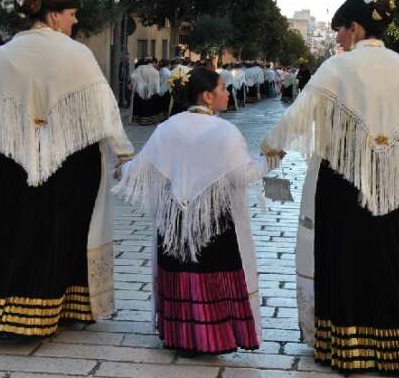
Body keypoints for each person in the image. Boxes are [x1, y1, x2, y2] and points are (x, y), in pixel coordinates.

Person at [261, 0, 399, 374]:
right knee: (393, 253)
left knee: (344, 256)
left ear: (355, 28)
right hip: (394, 179)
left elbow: (301, 112)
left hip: (344, 178)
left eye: (341, 31)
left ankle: (347, 347)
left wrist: (271, 145)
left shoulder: (338, 66)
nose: (339, 39)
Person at [0, 0, 134, 338]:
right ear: (54, 16)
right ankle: (63, 307)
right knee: (67, 231)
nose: (75, 21)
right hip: (73, 161)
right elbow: (104, 111)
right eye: (72, 14)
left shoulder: (6, 55)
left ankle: (5, 311)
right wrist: (124, 154)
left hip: (19, 159)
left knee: (17, 229)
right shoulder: (78, 54)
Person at [114, 67, 281, 355]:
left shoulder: (168, 127)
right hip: (213, 221)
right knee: (214, 272)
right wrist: (271, 161)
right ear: (207, 96)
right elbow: (244, 175)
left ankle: (180, 335)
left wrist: (121, 170)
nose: (228, 93)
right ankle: (213, 338)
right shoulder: (226, 131)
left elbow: (139, 168)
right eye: (222, 89)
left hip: (175, 220)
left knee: (179, 272)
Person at [130, 59, 164, 125]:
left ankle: (140, 120)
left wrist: (135, 86)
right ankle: (151, 120)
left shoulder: (138, 69)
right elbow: (156, 83)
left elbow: (133, 78)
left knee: (141, 106)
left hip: (140, 91)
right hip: (151, 92)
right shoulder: (155, 71)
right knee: (150, 106)